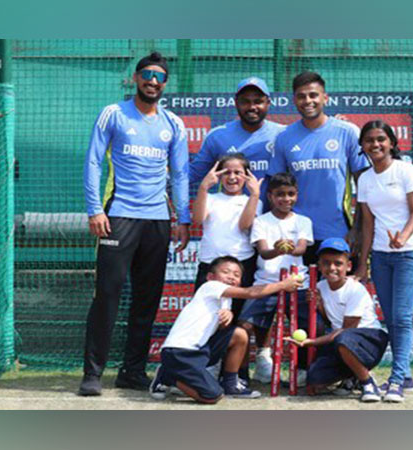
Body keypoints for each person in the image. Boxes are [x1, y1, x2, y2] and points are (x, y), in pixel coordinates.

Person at [79, 52, 190, 396]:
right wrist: (95, 209)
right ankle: (93, 374)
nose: (152, 81)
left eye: (159, 76)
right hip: (119, 216)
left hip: (157, 220)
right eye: (147, 74)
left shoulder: (174, 124)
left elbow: (181, 174)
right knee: (108, 295)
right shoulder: (113, 114)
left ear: (165, 83)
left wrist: (183, 218)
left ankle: (132, 371)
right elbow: (94, 161)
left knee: (147, 299)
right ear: (135, 78)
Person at [149, 256, 302, 404]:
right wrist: (283, 284)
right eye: (226, 272)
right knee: (212, 397)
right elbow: (250, 293)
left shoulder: (226, 301)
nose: (231, 277)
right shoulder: (210, 287)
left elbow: (221, 332)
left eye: (236, 275)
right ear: (210, 276)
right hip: (179, 352)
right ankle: (167, 375)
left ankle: (231, 384)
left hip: (200, 351)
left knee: (239, 334)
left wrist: (228, 315)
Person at [354, 120, 413, 403]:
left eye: (381, 139)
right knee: (392, 318)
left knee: (401, 316)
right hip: (382, 257)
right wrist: (363, 264)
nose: (375, 145)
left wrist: (403, 238)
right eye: (369, 140)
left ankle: (396, 380)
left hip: (411, 252)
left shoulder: (407, 171)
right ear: (363, 146)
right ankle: (405, 374)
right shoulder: (364, 179)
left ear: (392, 143)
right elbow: (368, 226)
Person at [267, 71, 370, 266]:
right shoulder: (284, 137)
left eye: (313, 95)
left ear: (325, 98)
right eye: (301, 96)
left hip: (340, 233)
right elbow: (274, 188)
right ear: (294, 100)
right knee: (300, 294)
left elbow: (365, 184)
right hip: (297, 236)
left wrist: (358, 229)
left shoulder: (347, 132)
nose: (308, 101)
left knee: (338, 295)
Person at [238, 172, 321, 386]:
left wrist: (291, 248)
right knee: (244, 326)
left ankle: (303, 369)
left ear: (297, 195)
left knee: (313, 325)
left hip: (296, 284)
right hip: (265, 283)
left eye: (291, 194)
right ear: (270, 196)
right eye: (280, 195)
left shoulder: (303, 221)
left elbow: (302, 247)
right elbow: (264, 252)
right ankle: (245, 372)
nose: (286, 199)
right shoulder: (261, 222)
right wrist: (277, 250)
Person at [285, 237, 388, 403]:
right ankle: (352, 376)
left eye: (338, 263)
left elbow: (347, 329)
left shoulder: (355, 289)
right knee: (315, 378)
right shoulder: (319, 286)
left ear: (348, 267)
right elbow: (331, 322)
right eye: (326, 263)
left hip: (370, 340)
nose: (331, 268)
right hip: (341, 341)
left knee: (343, 339)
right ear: (319, 266)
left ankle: (367, 383)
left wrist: (311, 342)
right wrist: (320, 306)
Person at [189, 77, 285, 204]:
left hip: (273, 217)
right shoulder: (217, 136)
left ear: (268, 103)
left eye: (258, 101)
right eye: (245, 101)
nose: (252, 107)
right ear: (236, 103)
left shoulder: (282, 134)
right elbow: (193, 174)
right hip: (232, 218)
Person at [192, 153, 262, 322]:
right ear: (219, 175)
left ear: (246, 176)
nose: (232, 177)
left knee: (236, 319)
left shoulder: (254, 201)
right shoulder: (209, 198)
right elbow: (197, 220)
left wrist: (254, 195)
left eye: (238, 173)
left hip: (242, 265)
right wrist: (203, 188)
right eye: (226, 172)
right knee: (205, 319)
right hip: (211, 264)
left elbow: (244, 225)